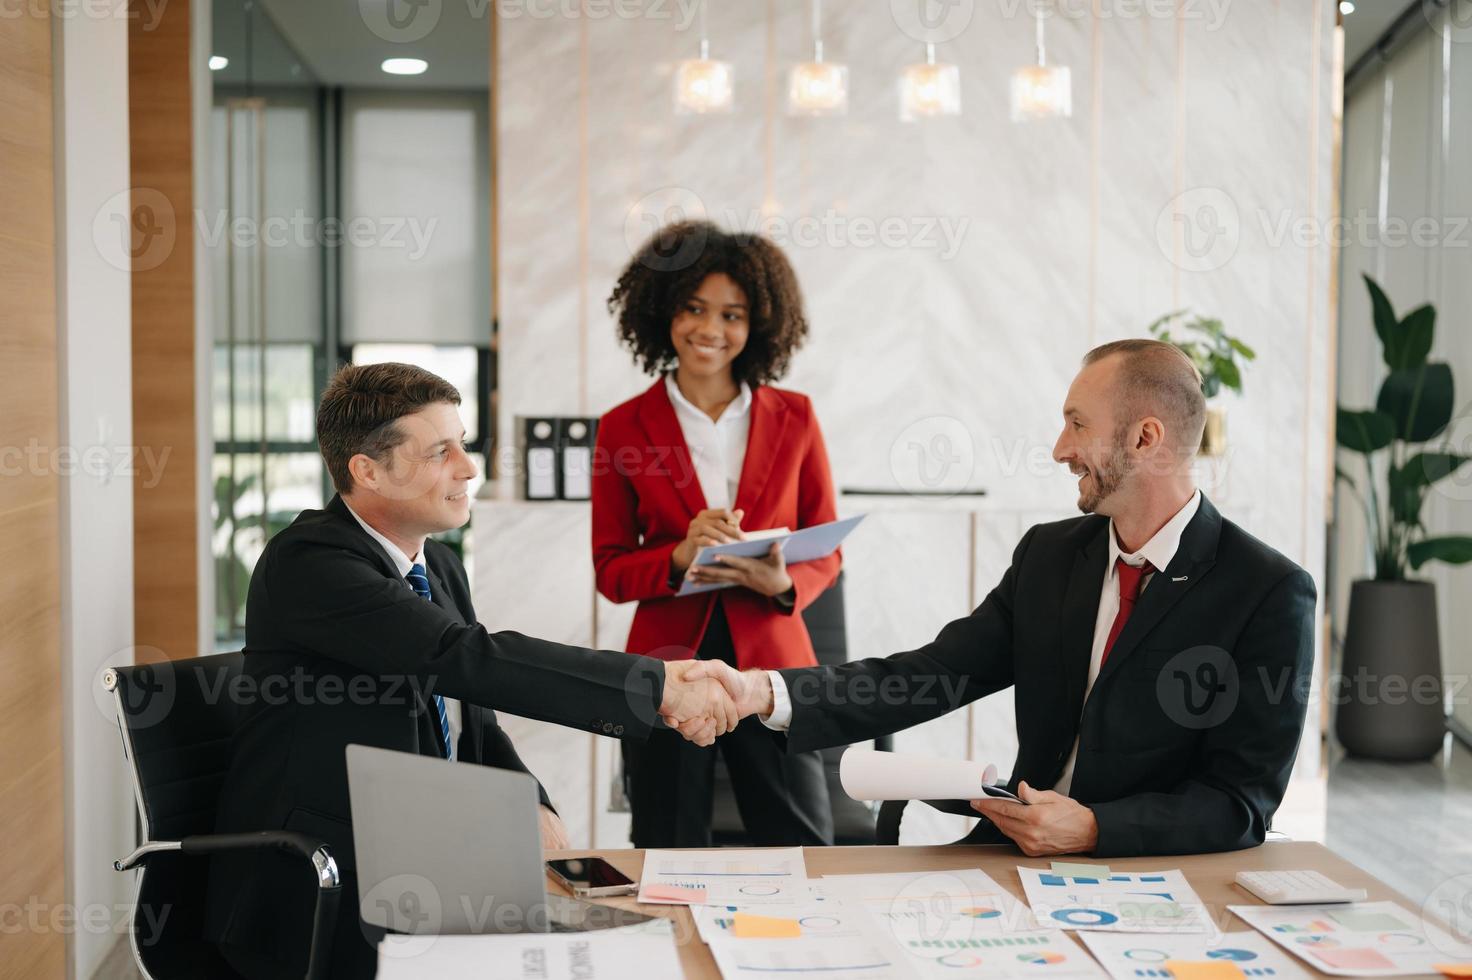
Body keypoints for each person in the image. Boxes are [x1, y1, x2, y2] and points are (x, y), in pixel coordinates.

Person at [205, 362, 736, 980]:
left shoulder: (440, 566)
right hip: (325, 881)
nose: (468, 467)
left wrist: (526, 797)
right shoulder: (309, 562)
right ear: (366, 470)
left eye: (463, 442)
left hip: (426, 853)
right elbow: (460, 658)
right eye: (439, 451)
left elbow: (470, 705)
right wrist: (659, 686)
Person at [696, 339, 1317, 858]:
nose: (1059, 448)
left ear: (1145, 438)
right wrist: (762, 693)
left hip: (1150, 874)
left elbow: (1241, 802)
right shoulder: (1048, 557)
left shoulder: (1267, 591)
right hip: (1008, 857)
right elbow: (928, 676)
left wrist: (1097, 828)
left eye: (1078, 423)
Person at [592, 220, 840, 848]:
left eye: (732, 314)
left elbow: (827, 546)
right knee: (667, 847)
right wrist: (679, 554)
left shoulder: (797, 416)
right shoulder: (623, 428)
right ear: (661, 312)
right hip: (670, 666)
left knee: (801, 846)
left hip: (775, 661)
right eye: (694, 308)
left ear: (758, 323)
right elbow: (612, 571)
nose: (711, 329)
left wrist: (782, 581)